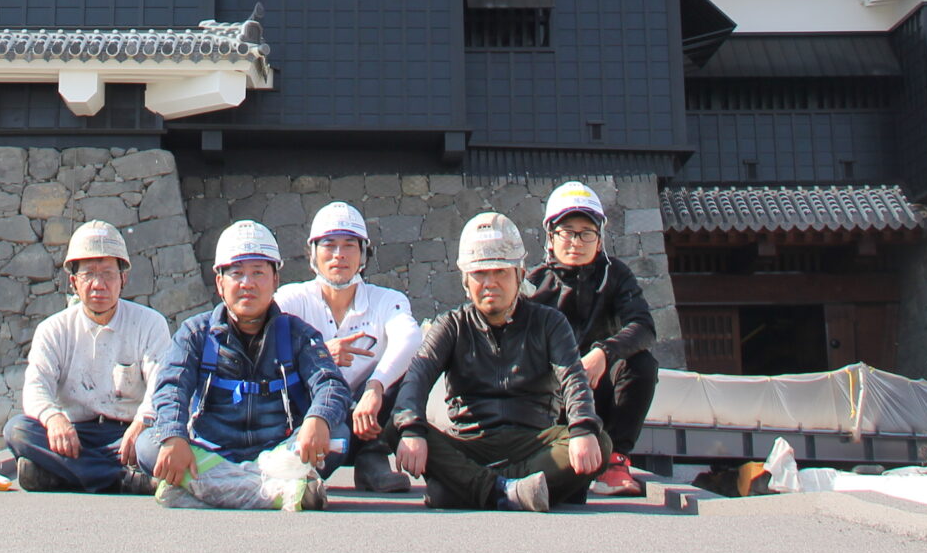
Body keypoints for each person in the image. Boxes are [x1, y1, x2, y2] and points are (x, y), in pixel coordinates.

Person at [390, 212, 607, 512]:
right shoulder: (451, 325)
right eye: (480, 273)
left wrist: (583, 428)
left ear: (520, 273)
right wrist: (412, 430)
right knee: (394, 422)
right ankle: (511, 491)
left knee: (599, 442)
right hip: (469, 445)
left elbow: (573, 379)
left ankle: (467, 489)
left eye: (500, 272)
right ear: (465, 279)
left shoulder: (550, 322)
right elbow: (417, 377)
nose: (490, 283)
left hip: (534, 443)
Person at [139, 220, 351, 511]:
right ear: (219, 282)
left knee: (336, 434)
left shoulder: (298, 334)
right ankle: (278, 492)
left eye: (258, 273)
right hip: (211, 451)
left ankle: (206, 490)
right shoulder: (194, 334)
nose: (247, 284)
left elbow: (331, 383)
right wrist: (174, 435)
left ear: (275, 279)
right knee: (149, 445)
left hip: (278, 452)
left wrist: (318, 418)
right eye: (236, 274)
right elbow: (171, 388)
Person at [4, 220, 169, 494]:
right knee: (18, 430)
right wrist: (55, 419)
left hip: (128, 435)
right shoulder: (53, 329)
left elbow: (161, 385)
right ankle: (120, 479)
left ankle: (65, 474)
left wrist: (142, 422)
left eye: (107, 274)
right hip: (75, 435)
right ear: (73, 282)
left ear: (123, 279)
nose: (98, 284)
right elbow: (36, 387)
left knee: (153, 446)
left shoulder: (150, 324)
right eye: (89, 274)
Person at [525, 181, 659, 496]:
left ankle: (615, 462)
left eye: (587, 232)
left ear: (599, 239)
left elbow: (643, 325)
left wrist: (604, 353)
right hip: (550, 396)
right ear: (551, 236)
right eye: (567, 232)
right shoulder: (532, 285)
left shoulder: (616, 275)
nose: (577, 241)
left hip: (600, 391)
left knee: (640, 364)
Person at [275, 202, 421, 493]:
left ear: (364, 253)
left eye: (349, 245)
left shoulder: (386, 300)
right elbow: (264, 348)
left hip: (368, 415)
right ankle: (299, 465)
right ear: (313, 253)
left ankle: (373, 458)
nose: (339, 255)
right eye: (329, 245)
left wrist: (375, 387)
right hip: (310, 410)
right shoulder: (292, 299)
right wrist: (319, 355)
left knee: (407, 369)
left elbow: (410, 337)